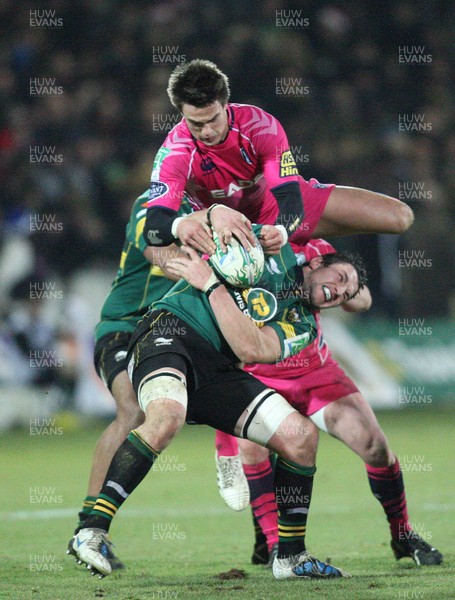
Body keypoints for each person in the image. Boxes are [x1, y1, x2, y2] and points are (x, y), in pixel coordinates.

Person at [71, 225, 367, 581]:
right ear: (318, 260)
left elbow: (250, 349)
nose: (337, 291)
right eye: (340, 277)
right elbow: (217, 221)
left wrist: (210, 284)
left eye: (345, 294)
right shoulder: (271, 247)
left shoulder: (301, 326)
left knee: (301, 435)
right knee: (166, 417)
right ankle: (91, 530)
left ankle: (290, 557)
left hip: (218, 368)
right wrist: (221, 215)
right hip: (168, 334)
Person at [215, 238, 443, 568]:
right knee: (254, 448)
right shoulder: (244, 245)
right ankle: (275, 543)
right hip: (257, 375)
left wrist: (346, 287)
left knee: (374, 445)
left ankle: (403, 535)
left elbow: (361, 301)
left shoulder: (313, 250)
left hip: (315, 371)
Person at [142, 59, 414, 257]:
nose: (207, 131)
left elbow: (290, 198)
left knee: (398, 217)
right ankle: (298, 253)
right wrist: (180, 226)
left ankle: (301, 243)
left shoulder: (260, 127)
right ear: (181, 113)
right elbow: (153, 229)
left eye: (213, 119)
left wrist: (282, 232)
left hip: (279, 211)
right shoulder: (175, 152)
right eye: (196, 124)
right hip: (226, 233)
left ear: (226, 104)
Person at [67, 190, 205, 568]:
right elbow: (153, 250)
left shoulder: (217, 207)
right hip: (123, 327)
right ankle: (87, 528)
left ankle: (268, 533)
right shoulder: (154, 203)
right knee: (132, 412)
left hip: (169, 331)